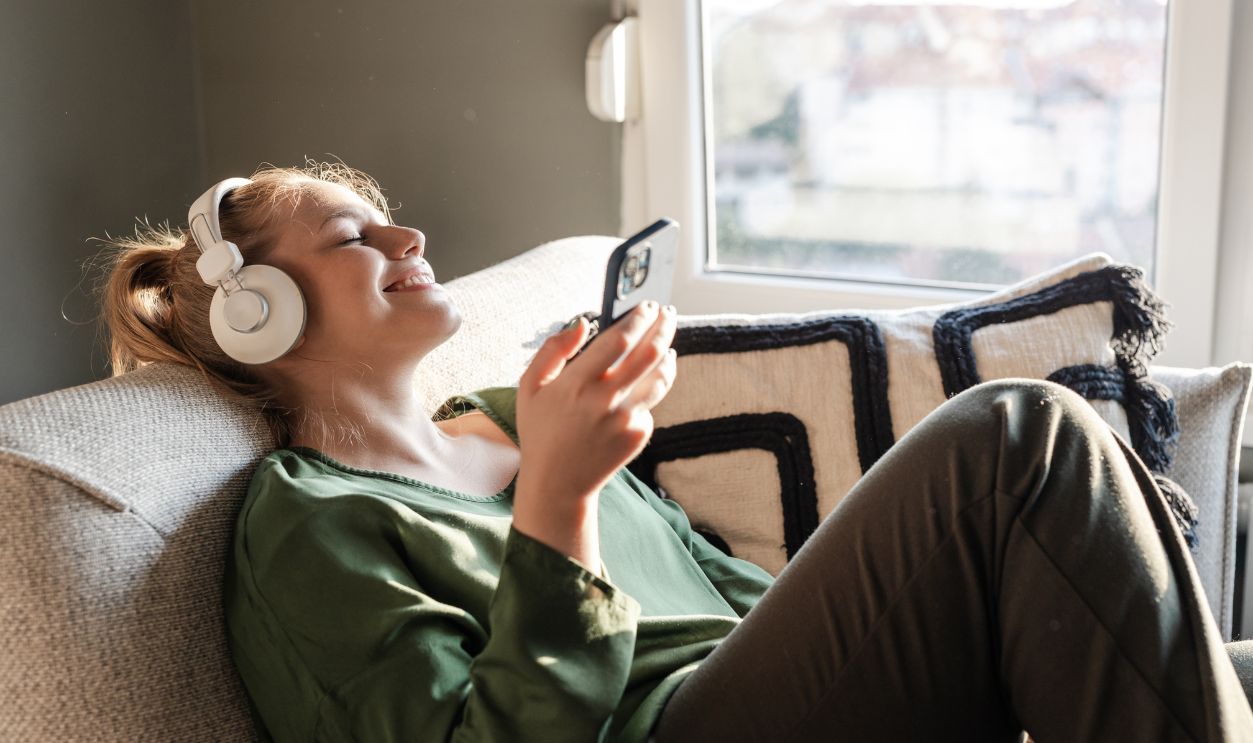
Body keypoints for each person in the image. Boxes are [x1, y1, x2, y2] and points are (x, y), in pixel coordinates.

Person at [101, 162, 1253, 742]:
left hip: (776, 695)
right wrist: (557, 498)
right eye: (352, 236)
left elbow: (733, 595)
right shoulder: (306, 525)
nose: (408, 236)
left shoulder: (513, 407)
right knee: (1018, 435)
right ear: (262, 313)